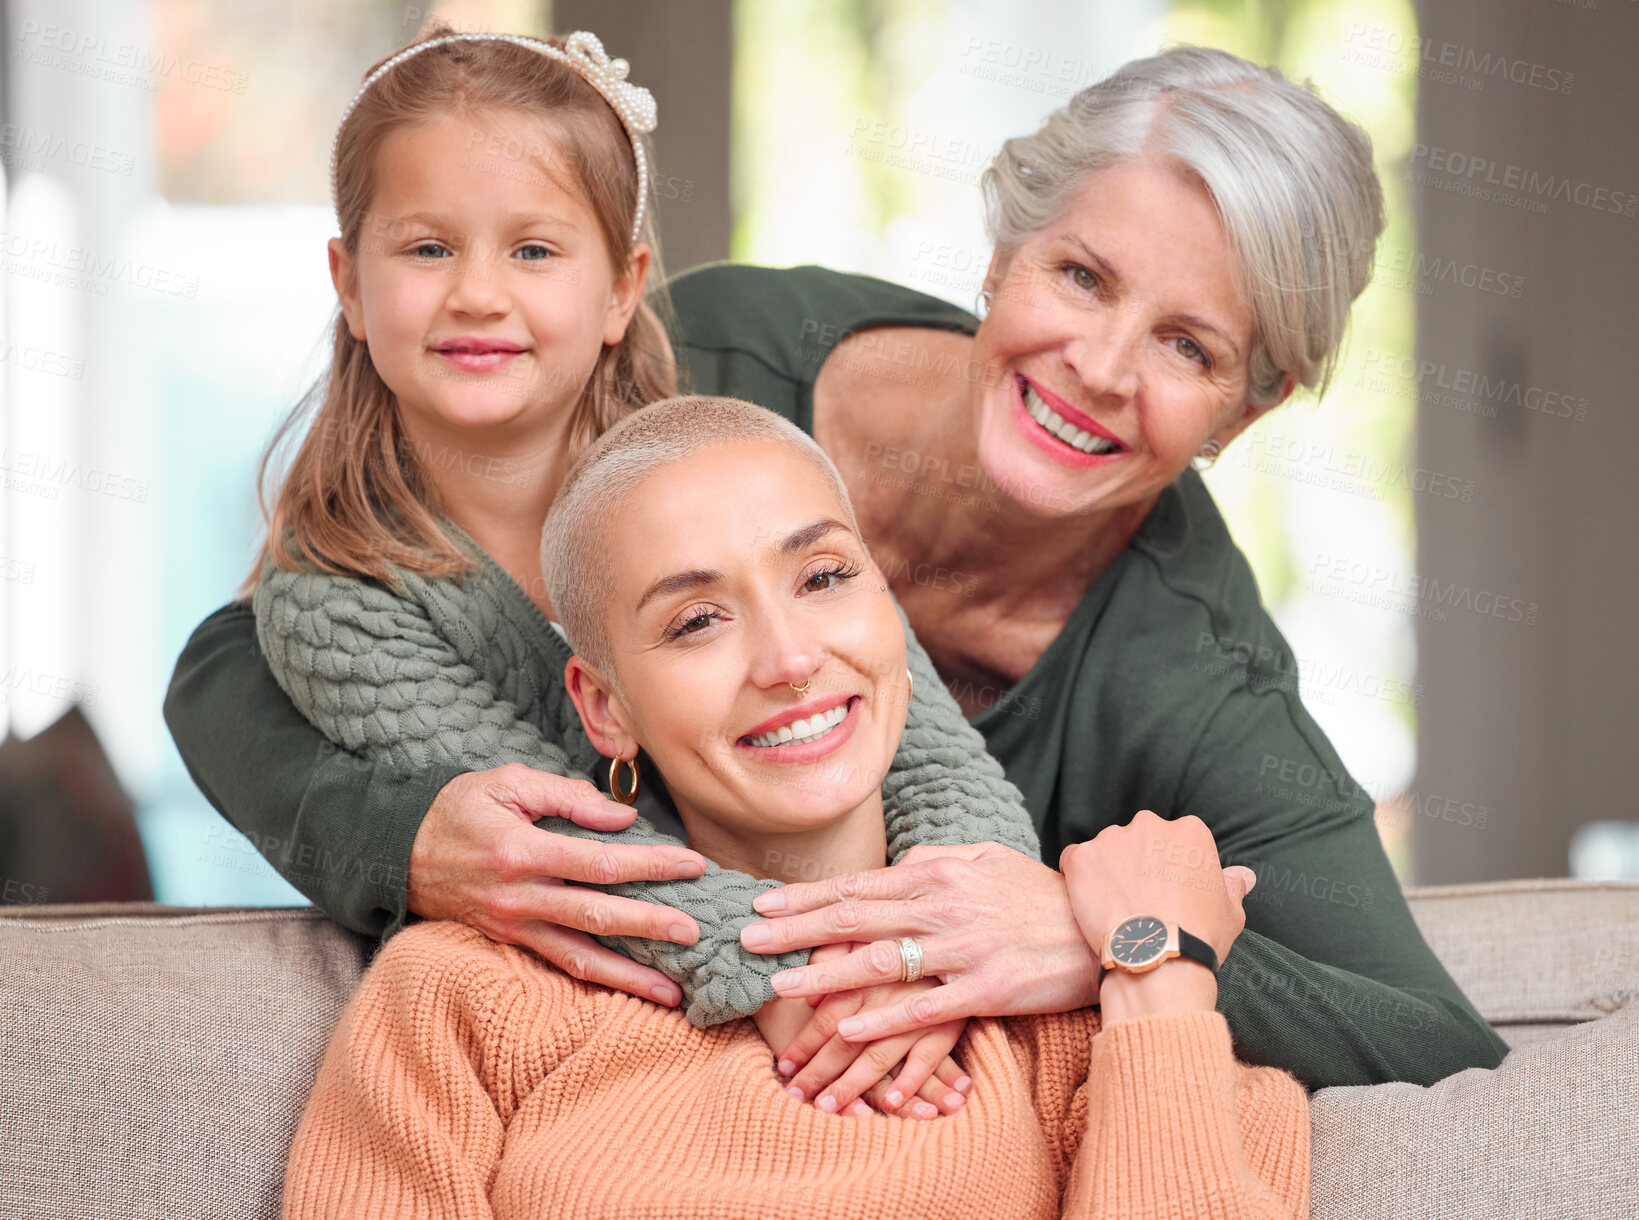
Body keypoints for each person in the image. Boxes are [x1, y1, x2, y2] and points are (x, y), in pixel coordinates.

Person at [166, 40, 1508, 1091]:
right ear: (1000, 255)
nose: (1099, 369)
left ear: (1244, 410)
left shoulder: (1190, 677)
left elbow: (1427, 1040)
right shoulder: (710, 363)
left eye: (1187, 347)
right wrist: (391, 840)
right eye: (1082, 278)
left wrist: (1099, 942)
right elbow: (244, 653)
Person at [203, 23, 1041, 1117]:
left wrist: (940, 949)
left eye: (535, 250)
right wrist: (805, 981)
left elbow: (935, 755)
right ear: (349, 285)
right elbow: (578, 856)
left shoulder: (715, 475)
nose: (477, 294)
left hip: (855, 966)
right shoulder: (337, 595)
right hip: (635, 1001)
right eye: (426, 248)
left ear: (620, 287)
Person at [281, 394, 1308, 1220]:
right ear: (604, 707)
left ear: (890, 621)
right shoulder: (463, 999)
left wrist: (1159, 975)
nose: (788, 659)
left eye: (822, 575)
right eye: (695, 621)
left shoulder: (1095, 1006)